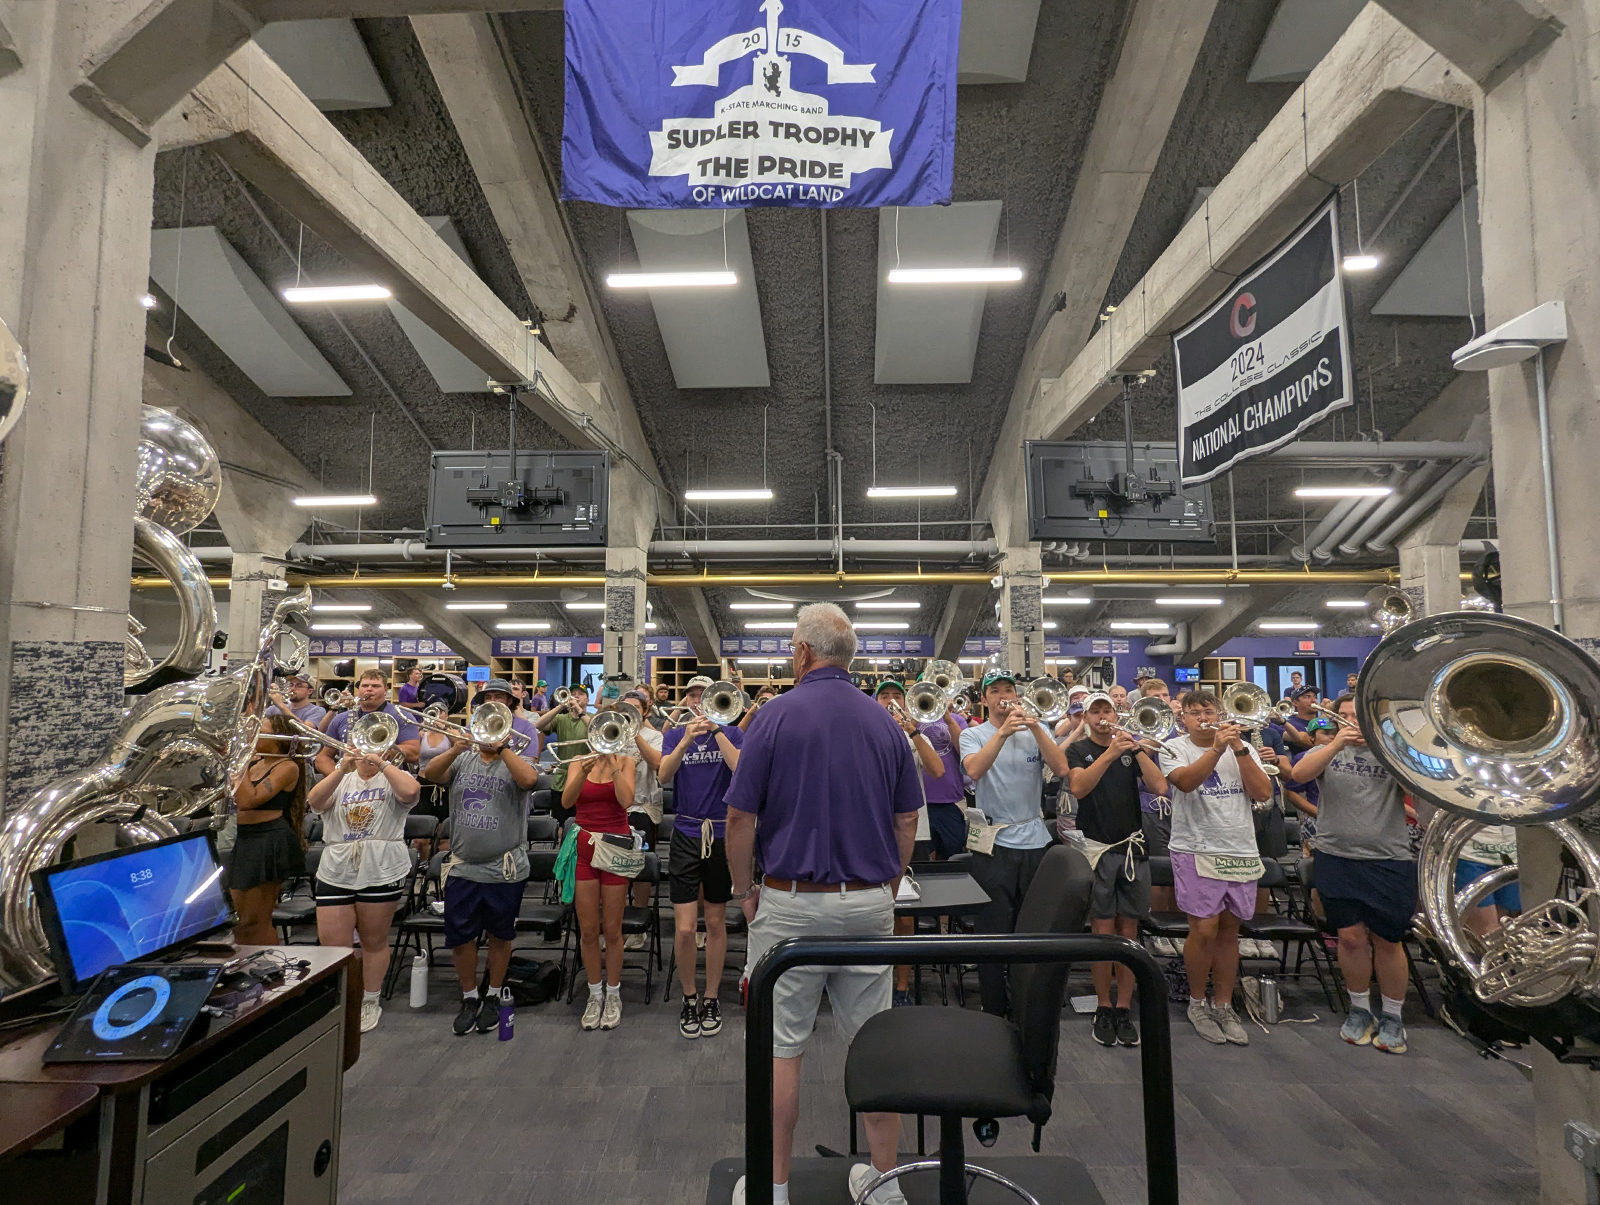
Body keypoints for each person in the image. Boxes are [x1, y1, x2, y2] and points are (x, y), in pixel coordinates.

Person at [725, 603, 921, 1205]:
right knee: (873, 1047)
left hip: (790, 905)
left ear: (805, 654)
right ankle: (883, 1183)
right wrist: (887, 887)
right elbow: (908, 817)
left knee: (782, 1049)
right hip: (866, 904)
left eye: (791, 647)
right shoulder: (887, 722)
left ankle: (774, 1187)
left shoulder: (775, 716)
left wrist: (743, 894)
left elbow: (739, 818)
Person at [1290, 695, 1415, 1055]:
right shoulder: (1327, 751)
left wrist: (1390, 749)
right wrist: (1337, 743)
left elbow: (1416, 792)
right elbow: (1298, 776)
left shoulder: (1392, 753)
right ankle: (1359, 1009)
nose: (1349, 722)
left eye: (1356, 717)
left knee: (1388, 940)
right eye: (1343, 716)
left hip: (1387, 858)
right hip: (1336, 855)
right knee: (1350, 938)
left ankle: (1393, 1015)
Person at [1159, 690, 1273, 1046]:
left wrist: (1238, 748)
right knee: (1204, 928)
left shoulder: (1244, 747)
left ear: (1221, 712)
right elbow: (1186, 782)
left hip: (1239, 847)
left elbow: (1262, 792)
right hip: (1194, 847)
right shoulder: (1174, 748)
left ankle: (1223, 1004)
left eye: (1208, 711)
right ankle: (1197, 1002)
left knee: (1229, 929)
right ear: (1184, 719)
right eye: (1194, 713)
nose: (1202, 717)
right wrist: (1217, 749)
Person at [959, 667, 1072, 1017]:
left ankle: (1029, 1004)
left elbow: (1062, 767)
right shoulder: (973, 735)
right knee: (992, 931)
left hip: (1035, 840)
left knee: (1033, 928)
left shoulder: (1037, 730)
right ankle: (993, 1006)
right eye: (995, 691)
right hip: (992, 843)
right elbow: (974, 770)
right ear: (985, 698)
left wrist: (1036, 726)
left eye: (1009, 689)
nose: (1003, 695)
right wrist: (1004, 732)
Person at [421, 723, 541, 1036]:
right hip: (463, 867)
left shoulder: (515, 761)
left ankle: (493, 993)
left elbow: (529, 780)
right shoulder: (462, 760)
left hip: (504, 868)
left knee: (500, 935)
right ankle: (469, 996)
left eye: (497, 729)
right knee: (461, 936)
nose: (489, 734)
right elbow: (430, 774)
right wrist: (456, 748)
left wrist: (502, 748)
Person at [1067, 693, 1166, 1046]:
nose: (1102, 716)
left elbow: (1159, 786)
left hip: (1132, 849)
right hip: (1098, 851)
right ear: (1085, 717)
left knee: (1129, 930)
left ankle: (1124, 1006)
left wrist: (1136, 749)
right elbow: (1078, 788)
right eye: (1095, 711)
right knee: (1102, 929)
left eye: (1107, 709)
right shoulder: (1078, 750)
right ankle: (1103, 1005)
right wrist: (1110, 752)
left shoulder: (1129, 749)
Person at [306, 735, 421, 1033]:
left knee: (373, 939)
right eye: (358, 745)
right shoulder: (342, 777)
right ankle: (341, 997)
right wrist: (341, 769)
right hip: (337, 865)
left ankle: (370, 999)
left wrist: (382, 764)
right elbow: (315, 802)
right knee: (333, 944)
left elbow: (410, 791)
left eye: (372, 745)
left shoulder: (394, 777)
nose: (363, 751)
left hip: (380, 865)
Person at [660, 675, 744, 1038]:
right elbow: (664, 774)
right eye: (692, 695)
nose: (698, 700)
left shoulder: (735, 734)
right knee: (683, 928)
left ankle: (710, 997)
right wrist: (686, 741)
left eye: (704, 695)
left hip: (722, 833)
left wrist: (719, 730)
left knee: (714, 923)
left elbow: (740, 768)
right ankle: (688, 996)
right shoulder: (676, 734)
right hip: (686, 832)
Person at [873, 679, 945, 1007]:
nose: (890, 701)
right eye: (884, 696)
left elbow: (938, 770)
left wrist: (914, 731)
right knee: (873, 913)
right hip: (873, 832)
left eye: (895, 696)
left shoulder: (918, 735)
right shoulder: (867, 733)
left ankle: (901, 986)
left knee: (905, 916)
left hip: (913, 830)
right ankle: (875, 985)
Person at [560, 742, 637, 1030]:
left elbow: (626, 800)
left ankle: (613, 994)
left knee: (613, 929)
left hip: (616, 846)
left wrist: (614, 765)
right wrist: (584, 771)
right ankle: (594, 994)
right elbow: (567, 802)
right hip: (584, 847)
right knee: (589, 929)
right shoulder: (579, 761)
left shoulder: (626, 761)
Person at [228, 714, 307, 945]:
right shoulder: (254, 763)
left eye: (258, 728)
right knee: (238, 921)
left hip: (269, 840)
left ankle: (269, 969)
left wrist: (238, 761)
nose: (250, 734)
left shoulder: (287, 766)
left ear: (277, 736)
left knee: (255, 921)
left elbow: (248, 800)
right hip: (246, 839)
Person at [617, 691, 665, 950]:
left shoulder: (654, 736)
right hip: (617, 807)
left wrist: (634, 731)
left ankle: (638, 924)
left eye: (635, 709)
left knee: (640, 868)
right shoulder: (612, 730)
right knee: (615, 868)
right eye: (625, 709)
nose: (629, 713)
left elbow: (657, 763)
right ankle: (618, 922)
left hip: (643, 806)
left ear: (645, 712)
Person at [314, 668, 420, 774]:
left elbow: (414, 753)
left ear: (385, 690)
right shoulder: (341, 718)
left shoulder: (402, 716)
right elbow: (323, 758)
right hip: (349, 783)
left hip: (386, 780)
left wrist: (377, 750)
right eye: (364, 686)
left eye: (375, 686)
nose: (369, 689)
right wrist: (338, 779)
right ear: (358, 690)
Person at [537, 683, 591, 797]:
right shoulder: (560, 719)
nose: (576, 697)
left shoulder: (593, 718)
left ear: (587, 700)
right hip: (562, 780)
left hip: (586, 777)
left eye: (580, 694)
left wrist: (578, 709)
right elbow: (538, 725)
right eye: (573, 694)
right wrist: (561, 706)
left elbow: (595, 729)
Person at [1280, 684, 1319, 751]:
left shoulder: (1322, 721)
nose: (1314, 700)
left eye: (1314, 697)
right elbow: (1310, 743)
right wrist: (1325, 714)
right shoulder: (1291, 724)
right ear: (1295, 703)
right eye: (1307, 697)